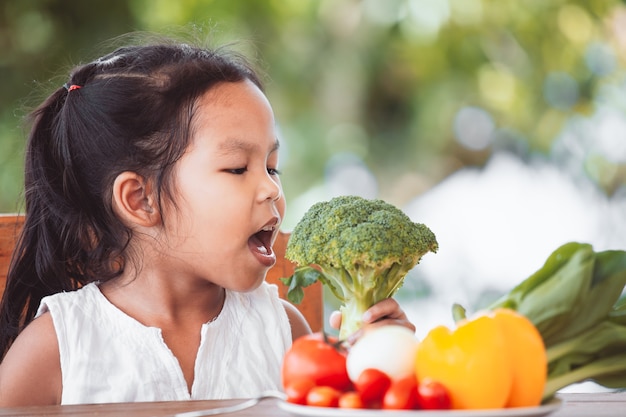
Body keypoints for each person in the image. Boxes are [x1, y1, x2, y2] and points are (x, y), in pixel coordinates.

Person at [0, 37, 415, 406]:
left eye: (272, 167)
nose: (271, 189)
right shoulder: (57, 347)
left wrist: (378, 366)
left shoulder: (284, 330)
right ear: (140, 200)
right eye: (238, 168)